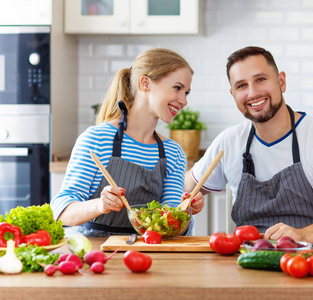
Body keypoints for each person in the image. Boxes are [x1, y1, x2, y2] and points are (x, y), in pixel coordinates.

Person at [185, 46, 313, 245]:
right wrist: (186, 200)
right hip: (247, 263)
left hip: (309, 261)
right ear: (233, 94)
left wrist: (303, 236)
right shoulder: (229, 142)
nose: (253, 93)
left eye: (260, 79)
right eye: (241, 86)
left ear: (281, 81)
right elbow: (181, 191)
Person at [51, 48, 204, 237]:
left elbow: (168, 228)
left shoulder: (173, 153)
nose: (183, 101)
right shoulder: (97, 139)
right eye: (177, 88)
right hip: (93, 253)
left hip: (146, 253)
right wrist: (100, 205)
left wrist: (183, 212)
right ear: (145, 83)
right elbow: (61, 211)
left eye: (186, 92)